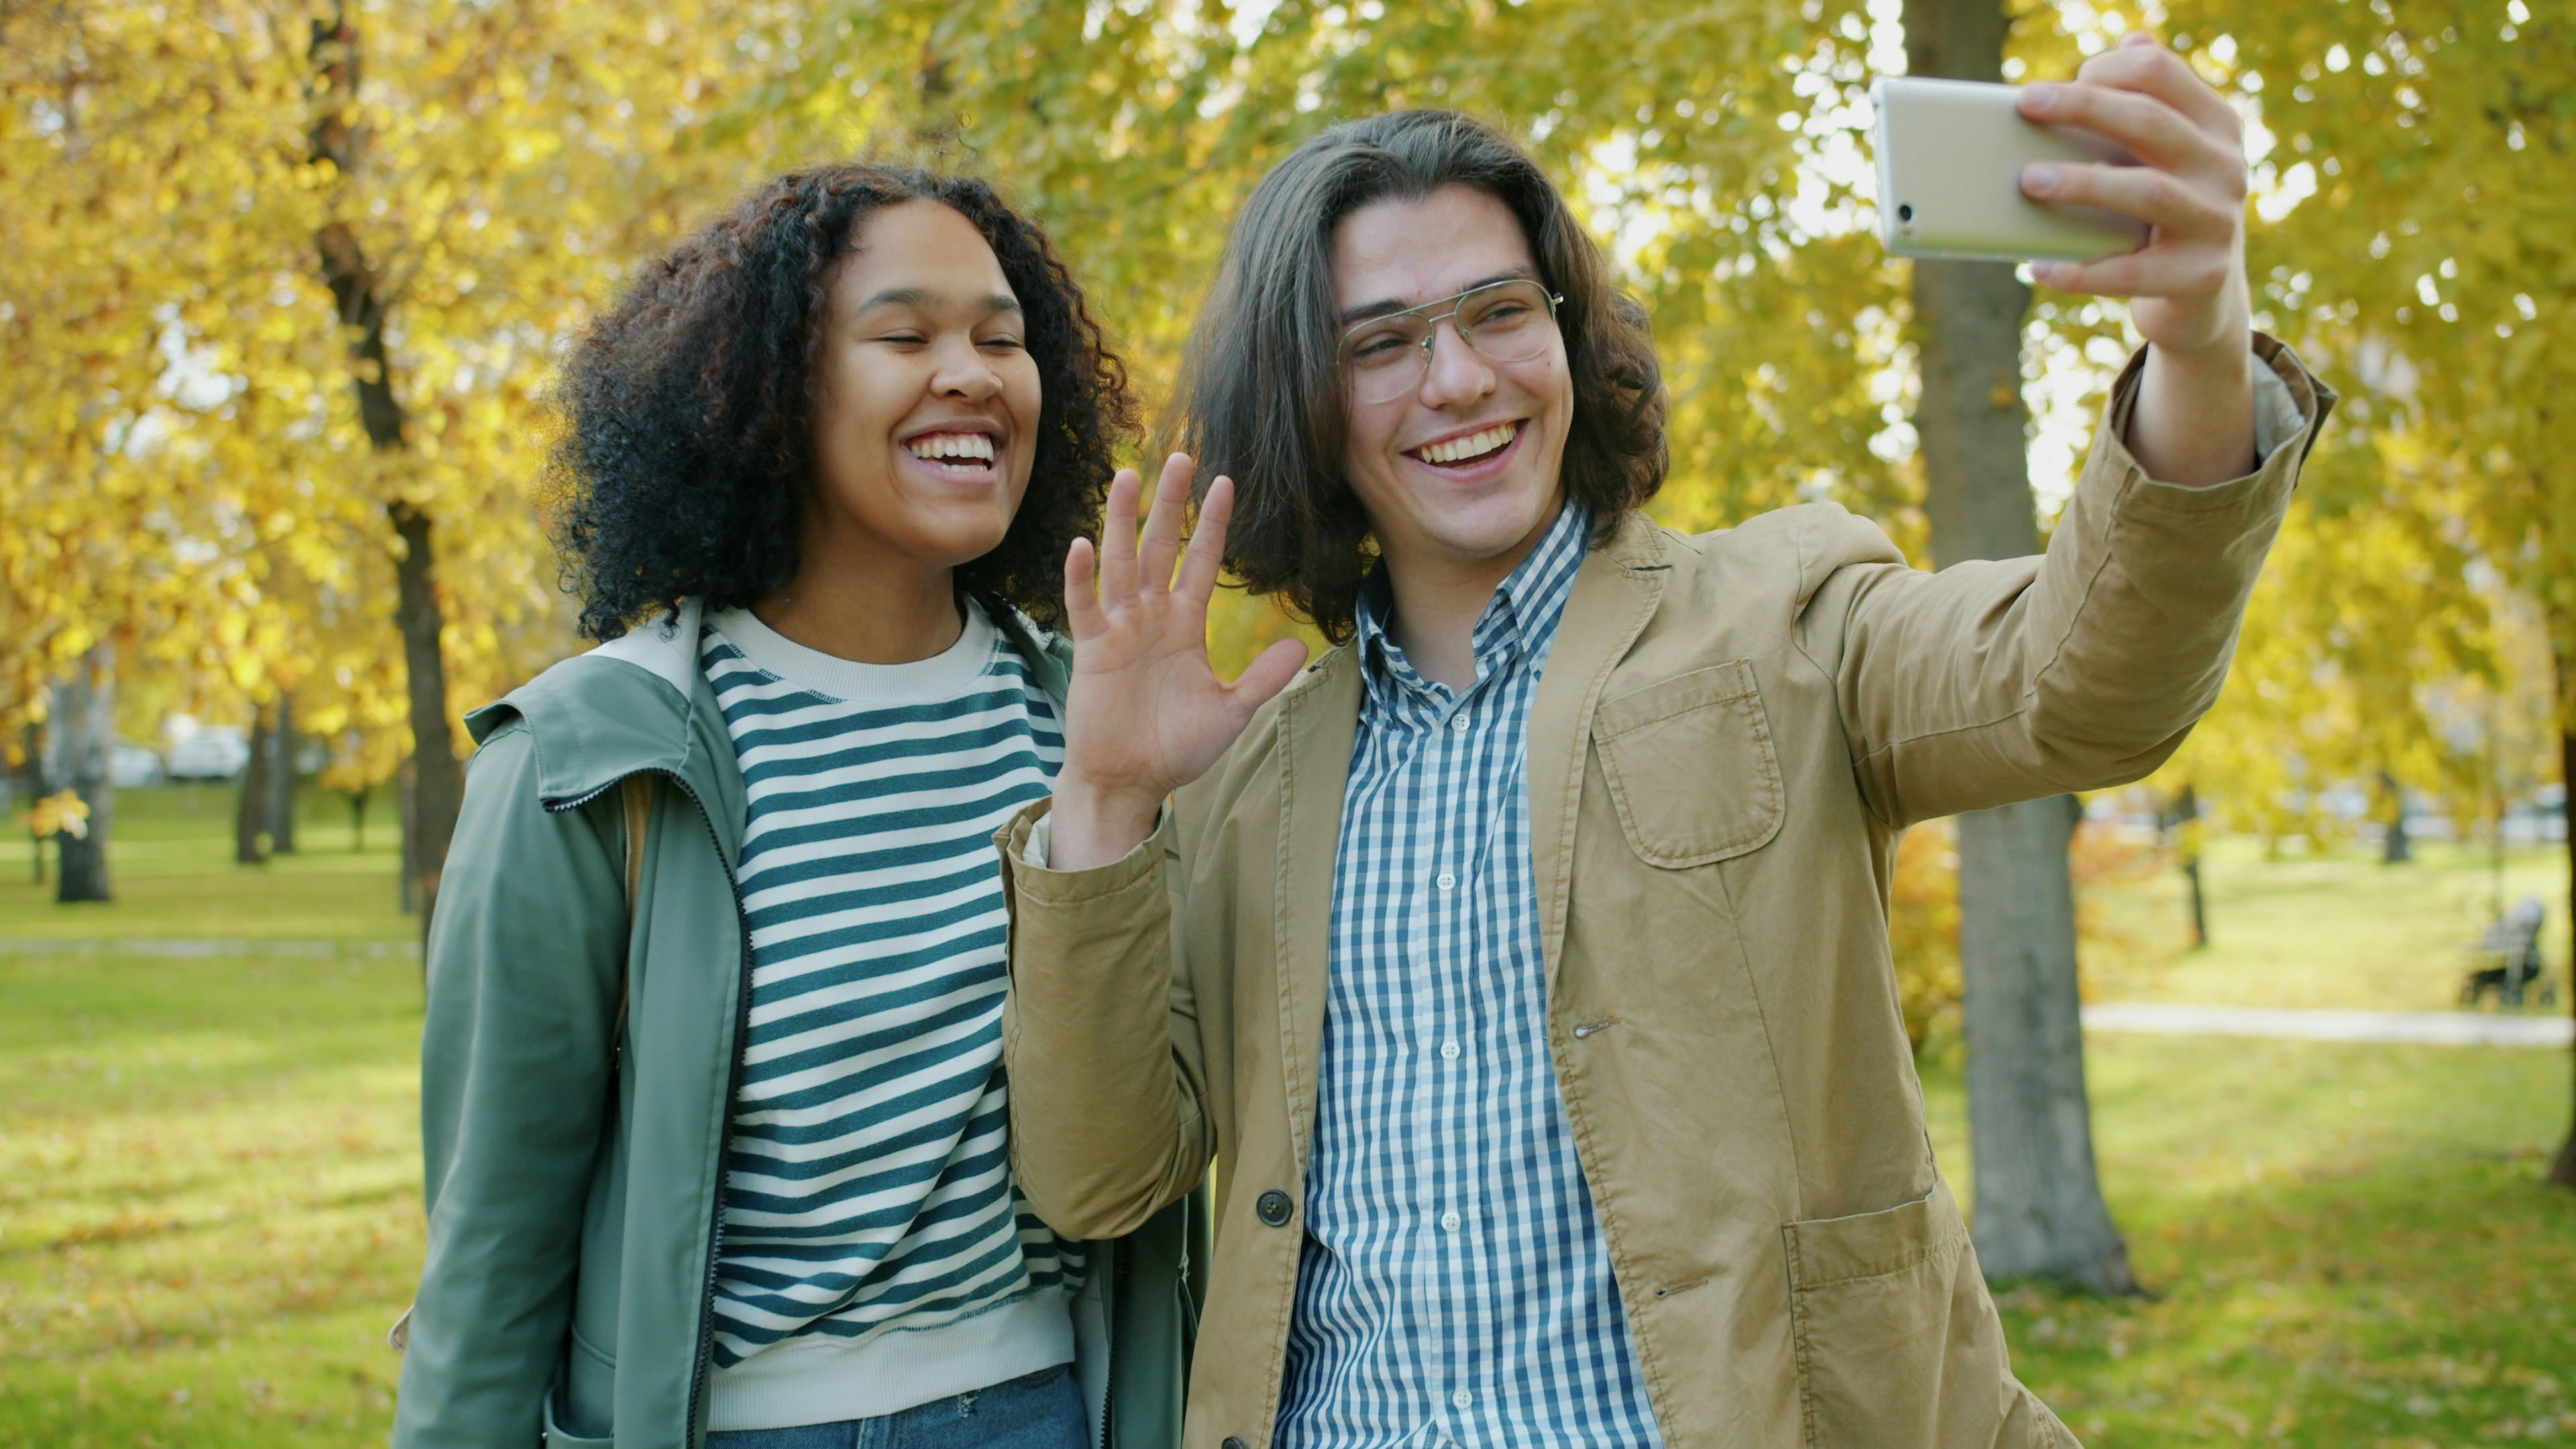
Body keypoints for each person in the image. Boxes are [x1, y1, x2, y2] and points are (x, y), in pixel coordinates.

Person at [996, 38, 2326, 1449]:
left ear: (1567, 333)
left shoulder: (1783, 617)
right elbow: (1097, 1177)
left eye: (1499, 312)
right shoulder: (1251, 772)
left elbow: (2087, 684)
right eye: (1379, 344)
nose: (1456, 381)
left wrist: (2198, 338)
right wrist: (1106, 798)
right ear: (1307, 405)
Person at [391, 164, 1203, 1449]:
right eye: (905, 335)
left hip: (1047, 1413)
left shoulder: (1088, 733)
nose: (975, 374)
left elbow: (1136, 1165)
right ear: (767, 392)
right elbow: (493, 1258)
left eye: (1004, 338)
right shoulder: (592, 761)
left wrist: (1118, 798)